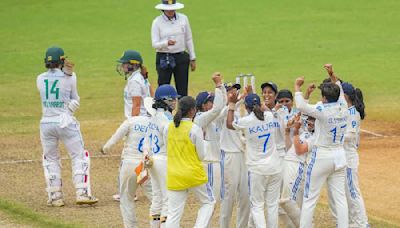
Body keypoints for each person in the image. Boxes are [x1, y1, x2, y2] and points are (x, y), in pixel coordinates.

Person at [37, 46, 98, 206]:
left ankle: (55, 196)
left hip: (46, 123)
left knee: (50, 158)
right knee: (79, 156)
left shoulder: (40, 79)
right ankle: (82, 193)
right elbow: (75, 99)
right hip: (65, 122)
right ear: (62, 61)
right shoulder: (71, 77)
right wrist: (68, 110)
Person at [294, 64, 349, 228]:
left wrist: (297, 87)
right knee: (340, 199)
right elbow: (338, 86)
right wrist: (332, 73)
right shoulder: (344, 107)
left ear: (324, 98)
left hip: (321, 156)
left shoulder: (322, 109)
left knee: (310, 199)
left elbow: (301, 106)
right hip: (340, 156)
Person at [227, 93, 282, 228]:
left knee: (257, 206)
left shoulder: (246, 121)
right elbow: (266, 110)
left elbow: (229, 124)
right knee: (272, 205)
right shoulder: (269, 116)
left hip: (257, 169)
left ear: (246, 107)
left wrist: (232, 104)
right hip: (275, 167)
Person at [164, 96, 215, 227]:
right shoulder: (194, 129)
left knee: (173, 214)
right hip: (194, 175)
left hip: (174, 175)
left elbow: (166, 148)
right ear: (192, 111)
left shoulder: (168, 127)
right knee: (208, 202)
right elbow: (202, 155)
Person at [102, 116, 153, 227]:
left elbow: (116, 137)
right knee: (156, 200)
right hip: (144, 165)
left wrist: (105, 148)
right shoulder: (154, 124)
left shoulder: (131, 121)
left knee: (126, 199)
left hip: (129, 165)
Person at [144, 84, 180, 227]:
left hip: (152, 159)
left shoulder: (154, 116)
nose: (175, 102)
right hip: (164, 159)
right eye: (173, 100)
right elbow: (170, 141)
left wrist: (146, 155)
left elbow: (146, 139)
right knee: (167, 199)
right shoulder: (167, 118)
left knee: (157, 198)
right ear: (166, 100)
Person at [218, 83, 250, 228]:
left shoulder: (236, 112)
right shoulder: (220, 112)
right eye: (229, 91)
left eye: (234, 90)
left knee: (245, 196)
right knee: (228, 197)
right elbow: (227, 110)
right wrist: (235, 101)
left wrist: (244, 97)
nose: (233, 93)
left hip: (243, 157)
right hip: (229, 157)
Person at [193, 73, 225, 209]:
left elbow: (222, 107)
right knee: (210, 203)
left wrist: (222, 88)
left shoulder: (210, 118)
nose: (214, 102)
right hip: (209, 164)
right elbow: (218, 109)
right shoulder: (200, 118)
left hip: (214, 163)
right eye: (211, 100)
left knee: (211, 202)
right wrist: (218, 85)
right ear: (204, 105)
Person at [151, 0, 196, 97]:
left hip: (181, 56)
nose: (170, 12)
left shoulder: (183, 19)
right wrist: (166, 43)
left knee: (182, 88)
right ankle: (162, 110)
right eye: (168, 10)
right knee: (164, 87)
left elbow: (188, 39)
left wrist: (192, 58)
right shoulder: (157, 22)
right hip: (164, 57)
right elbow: (155, 44)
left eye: (172, 9)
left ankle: (183, 110)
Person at [341, 82, 369, 227]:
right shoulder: (347, 110)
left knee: (353, 192)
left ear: (345, 96)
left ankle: (362, 224)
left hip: (349, 157)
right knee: (348, 193)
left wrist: (335, 137)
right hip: (344, 156)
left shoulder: (353, 113)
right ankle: (355, 222)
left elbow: (350, 135)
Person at [280, 114, 316, 227]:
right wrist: (287, 132)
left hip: (298, 167)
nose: (310, 122)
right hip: (288, 164)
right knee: (282, 206)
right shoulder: (304, 133)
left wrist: (295, 131)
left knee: (288, 201)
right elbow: (290, 148)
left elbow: (300, 150)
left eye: (313, 120)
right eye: (309, 119)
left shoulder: (316, 137)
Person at [116, 50, 152, 118]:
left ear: (133, 64)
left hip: (138, 120)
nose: (122, 65)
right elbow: (152, 95)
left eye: (124, 63)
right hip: (144, 118)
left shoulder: (135, 81)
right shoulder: (142, 77)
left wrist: (132, 124)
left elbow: (136, 106)